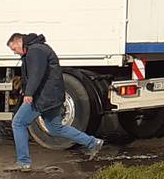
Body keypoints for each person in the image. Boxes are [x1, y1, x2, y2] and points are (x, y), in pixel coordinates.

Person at [6, 31, 105, 171]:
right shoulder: (38, 48)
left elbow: (36, 74)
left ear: (19, 42)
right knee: (55, 128)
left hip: (44, 97)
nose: (14, 52)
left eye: (14, 49)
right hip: (52, 96)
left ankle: (23, 162)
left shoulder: (35, 51)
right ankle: (93, 142)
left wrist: (29, 93)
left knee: (18, 123)